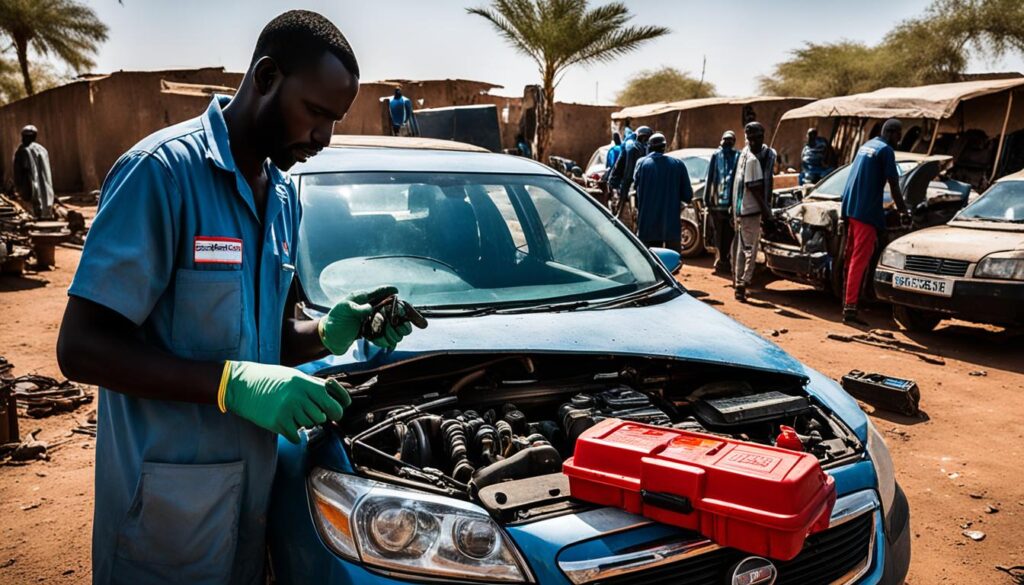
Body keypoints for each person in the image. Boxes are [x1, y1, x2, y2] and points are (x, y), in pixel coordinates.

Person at [56, 11, 418, 584]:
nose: (324, 139)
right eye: (317, 114)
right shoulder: (161, 175)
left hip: (250, 512)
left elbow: (266, 341)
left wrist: (328, 333)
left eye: (336, 120)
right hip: (165, 518)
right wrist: (229, 384)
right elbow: (81, 348)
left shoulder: (282, 197)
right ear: (268, 77)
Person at [840, 119, 909, 325]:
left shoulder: (867, 146)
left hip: (850, 208)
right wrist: (903, 211)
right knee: (859, 260)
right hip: (866, 213)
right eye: (899, 134)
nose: (900, 139)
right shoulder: (886, 150)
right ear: (892, 132)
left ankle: (847, 303)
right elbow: (894, 184)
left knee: (850, 258)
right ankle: (850, 309)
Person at [732, 121, 776, 302]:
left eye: (758, 137)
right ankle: (743, 284)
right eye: (752, 138)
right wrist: (767, 213)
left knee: (742, 248)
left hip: (742, 209)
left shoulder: (746, 154)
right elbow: (755, 189)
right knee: (750, 250)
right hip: (750, 210)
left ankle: (739, 282)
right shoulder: (751, 160)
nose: (755, 140)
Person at [633, 132, 693, 252]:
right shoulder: (678, 164)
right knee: (673, 264)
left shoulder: (642, 164)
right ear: (664, 147)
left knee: (650, 263)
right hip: (671, 226)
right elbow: (688, 195)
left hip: (647, 226)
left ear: (649, 147)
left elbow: (636, 190)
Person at [702, 130, 739, 274]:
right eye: (725, 140)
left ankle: (726, 261)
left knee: (729, 234)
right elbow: (710, 178)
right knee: (718, 234)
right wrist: (707, 200)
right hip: (716, 205)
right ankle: (721, 260)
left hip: (731, 205)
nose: (727, 142)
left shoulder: (738, 156)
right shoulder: (716, 156)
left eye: (730, 140)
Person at [13, 124, 55, 220]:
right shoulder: (42, 149)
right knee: (45, 196)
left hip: (31, 182)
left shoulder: (23, 151)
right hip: (44, 183)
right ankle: (46, 214)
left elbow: (22, 169)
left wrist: (19, 185)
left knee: (35, 197)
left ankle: (39, 214)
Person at [609, 125, 652, 201]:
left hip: (624, 180)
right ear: (643, 138)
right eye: (647, 140)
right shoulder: (633, 147)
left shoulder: (632, 145)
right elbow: (628, 172)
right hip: (627, 181)